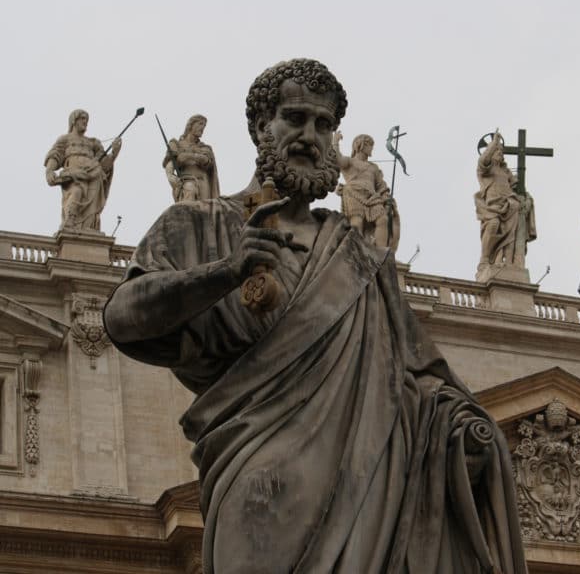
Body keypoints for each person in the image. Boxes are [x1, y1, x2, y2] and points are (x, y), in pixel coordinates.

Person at [103, 58, 526, 574]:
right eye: (295, 118)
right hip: (257, 490)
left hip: (366, 500)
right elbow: (122, 317)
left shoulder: (362, 262)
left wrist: (461, 433)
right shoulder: (200, 224)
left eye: (324, 125)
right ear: (261, 127)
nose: (310, 135)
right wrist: (225, 273)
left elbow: (417, 384)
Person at [44, 109, 121, 231]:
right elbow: (55, 155)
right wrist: (49, 171)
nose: (85, 122)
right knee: (77, 192)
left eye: (87, 120)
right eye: (82, 118)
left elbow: (104, 165)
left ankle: (87, 229)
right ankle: (70, 222)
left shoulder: (93, 143)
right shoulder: (65, 139)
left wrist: (114, 153)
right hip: (73, 175)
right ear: (74, 121)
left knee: (92, 207)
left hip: (93, 176)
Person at [474, 132, 535, 275]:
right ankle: (485, 259)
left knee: (511, 233)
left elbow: (516, 186)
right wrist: (494, 143)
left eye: (501, 152)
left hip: (510, 206)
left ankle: (506, 261)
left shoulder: (505, 171)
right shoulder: (485, 170)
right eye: (498, 152)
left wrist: (524, 196)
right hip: (493, 207)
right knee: (493, 224)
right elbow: (483, 160)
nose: (501, 154)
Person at [332, 131, 399, 250]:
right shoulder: (350, 161)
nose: (372, 148)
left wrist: (386, 197)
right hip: (353, 194)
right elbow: (338, 160)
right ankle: (355, 251)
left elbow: (381, 186)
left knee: (383, 219)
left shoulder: (373, 167)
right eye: (370, 145)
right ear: (361, 145)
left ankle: (380, 252)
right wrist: (335, 142)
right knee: (357, 222)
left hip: (372, 197)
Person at [163, 114, 220, 202]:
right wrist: (170, 176)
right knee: (190, 191)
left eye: (204, 126)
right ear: (191, 125)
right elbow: (170, 162)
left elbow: (208, 161)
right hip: (186, 180)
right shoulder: (176, 144)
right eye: (200, 124)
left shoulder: (204, 147)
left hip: (203, 183)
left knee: (204, 208)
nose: (202, 128)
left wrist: (188, 156)